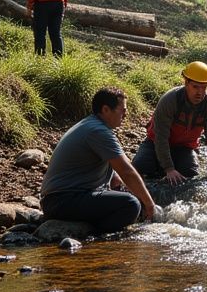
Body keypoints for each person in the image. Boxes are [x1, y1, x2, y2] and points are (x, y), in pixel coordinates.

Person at [40, 87, 157, 233]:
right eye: (123, 110)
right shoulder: (98, 131)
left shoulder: (91, 125)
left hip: (60, 198)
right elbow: (126, 171)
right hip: (61, 201)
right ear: (106, 109)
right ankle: (96, 238)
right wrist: (150, 204)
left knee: (132, 197)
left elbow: (116, 171)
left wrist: (116, 183)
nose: (126, 115)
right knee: (130, 204)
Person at [132, 61, 207, 185]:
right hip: (154, 143)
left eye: (204, 87)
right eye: (195, 87)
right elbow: (160, 137)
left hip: (184, 148)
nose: (199, 92)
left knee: (190, 175)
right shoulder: (169, 100)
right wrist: (169, 169)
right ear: (186, 83)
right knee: (138, 169)